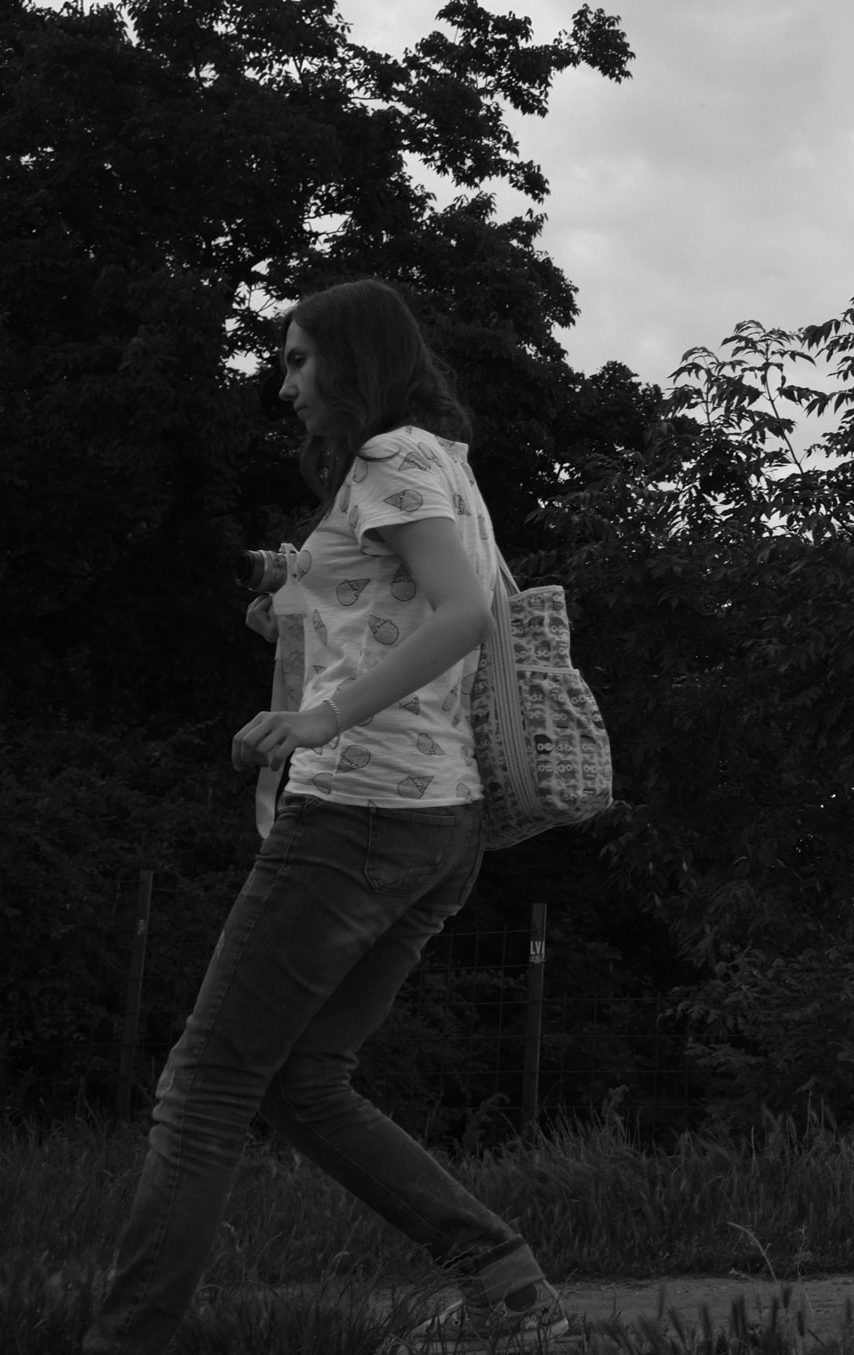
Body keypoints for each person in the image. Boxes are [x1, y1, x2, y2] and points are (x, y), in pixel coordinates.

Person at [85, 279, 569, 1354]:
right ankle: (509, 1287)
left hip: (359, 811)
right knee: (303, 1079)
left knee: (205, 1085)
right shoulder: (441, 462)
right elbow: (394, 599)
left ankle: (127, 1339)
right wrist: (293, 604)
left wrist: (321, 717)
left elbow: (462, 613)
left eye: (300, 360)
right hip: (436, 822)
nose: (285, 383)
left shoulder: (391, 456)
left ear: (353, 360)